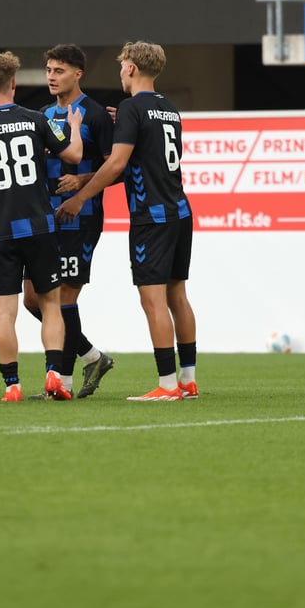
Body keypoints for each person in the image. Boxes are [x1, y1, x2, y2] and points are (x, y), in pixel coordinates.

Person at [56, 41, 199, 401]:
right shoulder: (168, 109)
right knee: (177, 295)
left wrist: (79, 197)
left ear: (132, 68)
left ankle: (167, 386)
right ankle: (187, 379)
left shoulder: (132, 108)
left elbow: (117, 164)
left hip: (151, 216)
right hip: (180, 211)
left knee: (152, 300)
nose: (120, 71)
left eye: (122, 66)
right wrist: (128, 125)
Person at [0, 51, 83, 402]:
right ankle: (54, 372)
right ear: (13, 83)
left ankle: (12, 384)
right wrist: (72, 127)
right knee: (51, 304)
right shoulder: (35, 119)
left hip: (1, 231)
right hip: (39, 227)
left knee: (5, 311)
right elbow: (73, 156)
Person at [23, 44, 115, 399]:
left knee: (62, 300)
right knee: (33, 299)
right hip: (46, 218)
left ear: (78, 74)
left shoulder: (93, 114)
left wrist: (83, 182)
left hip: (82, 218)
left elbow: (116, 167)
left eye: (58, 70)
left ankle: (61, 384)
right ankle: (93, 356)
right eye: (48, 69)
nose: (50, 76)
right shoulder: (43, 114)